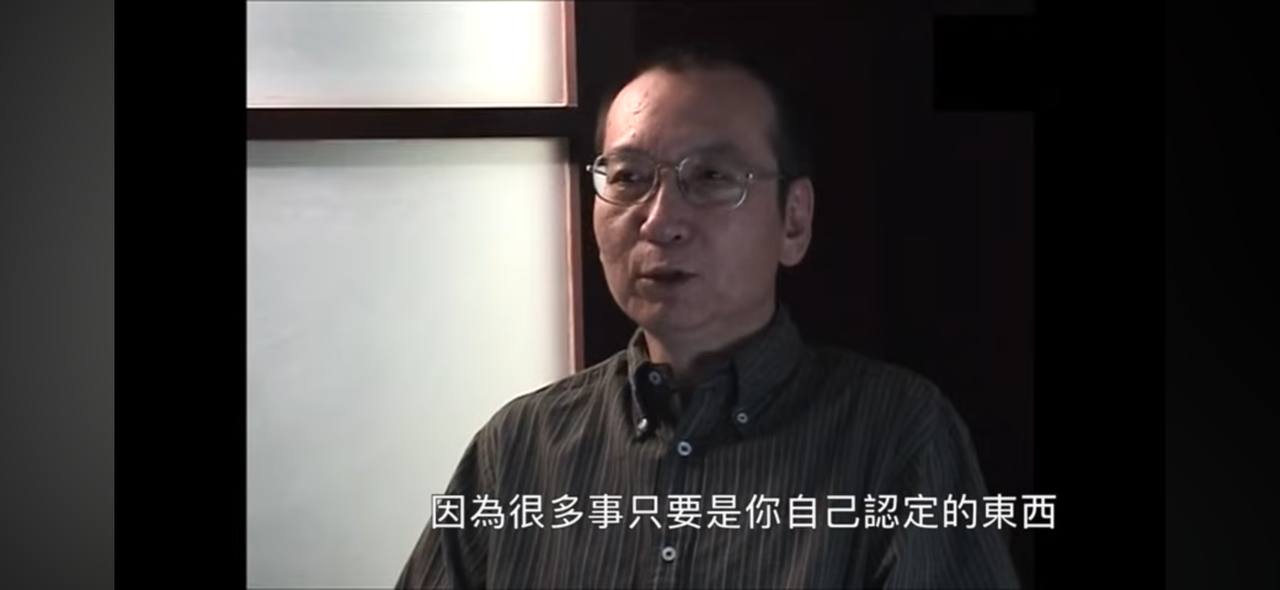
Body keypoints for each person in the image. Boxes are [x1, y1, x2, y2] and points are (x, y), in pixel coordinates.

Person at [396, 46, 1020, 589]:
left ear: (794, 220)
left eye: (713, 177)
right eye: (629, 177)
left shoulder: (898, 433)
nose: (660, 220)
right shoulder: (518, 448)